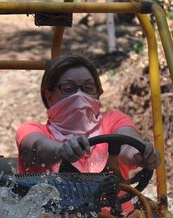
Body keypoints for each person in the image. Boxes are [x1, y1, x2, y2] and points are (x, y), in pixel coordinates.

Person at [16, 54, 160, 178]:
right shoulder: (32, 130)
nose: (80, 96)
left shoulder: (113, 121)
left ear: (98, 93)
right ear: (49, 96)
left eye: (88, 88)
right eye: (68, 88)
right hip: (50, 211)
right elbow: (36, 148)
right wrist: (61, 150)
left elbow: (129, 141)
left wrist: (140, 154)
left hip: (119, 210)